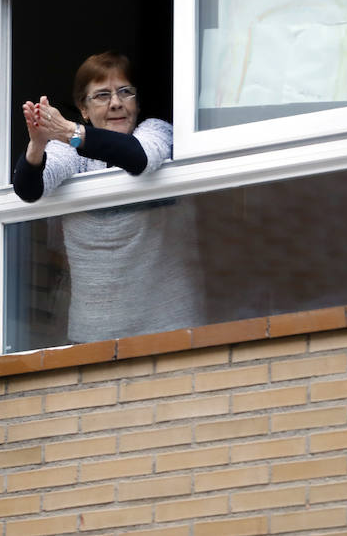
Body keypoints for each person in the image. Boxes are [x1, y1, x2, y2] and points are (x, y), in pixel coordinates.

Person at [13, 52, 204, 343]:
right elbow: (29, 189)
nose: (116, 103)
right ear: (84, 109)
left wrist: (68, 130)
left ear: (137, 103)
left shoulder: (155, 132)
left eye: (125, 92)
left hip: (170, 324)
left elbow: (138, 157)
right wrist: (38, 145)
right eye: (102, 95)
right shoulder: (71, 152)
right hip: (95, 334)